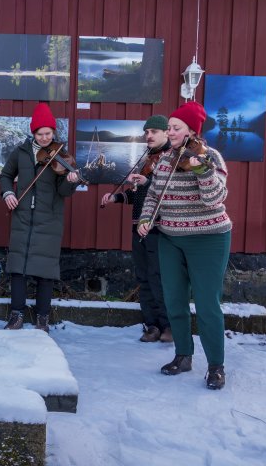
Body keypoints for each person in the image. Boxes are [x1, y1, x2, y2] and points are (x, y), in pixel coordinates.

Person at [138, 101, 232, 390]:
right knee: (174, 300)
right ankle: (183, 356)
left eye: (175, 128)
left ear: (192, 131)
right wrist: (146, 218)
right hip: (170, 237)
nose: (170, 131)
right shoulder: (166, 159)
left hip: (208, 238)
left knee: (206, 304)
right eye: (169, 127)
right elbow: (154, 194)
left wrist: (202, 170)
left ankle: (216, 366)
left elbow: (216, 198)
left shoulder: (210, 157)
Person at [0, 103, 79, 333]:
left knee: (45, 270)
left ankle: (42, 318)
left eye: (49, 133)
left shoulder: (62, 155)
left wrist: (70, 182)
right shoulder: (21, 152)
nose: (45, 138)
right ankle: (16, 315)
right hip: (23, 216)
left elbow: (63, 192)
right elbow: (6, 175)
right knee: (18, 267)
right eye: (40, 133)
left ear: (54, 132)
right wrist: (7, 193)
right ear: (33, 133)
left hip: (49, 219)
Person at [101, 115, 172, 343]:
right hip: (137, 227)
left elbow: (170, 193)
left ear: (166, 133)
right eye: (147, 132)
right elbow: (138, 194)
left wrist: (148, 183)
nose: (149, 135)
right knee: (143, 278)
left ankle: (168, 326)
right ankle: (151, 325)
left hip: (158, 227)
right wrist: (117, 197)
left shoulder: (171, 159)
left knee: (159, 277)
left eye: (154, 131)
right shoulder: (147, 158)